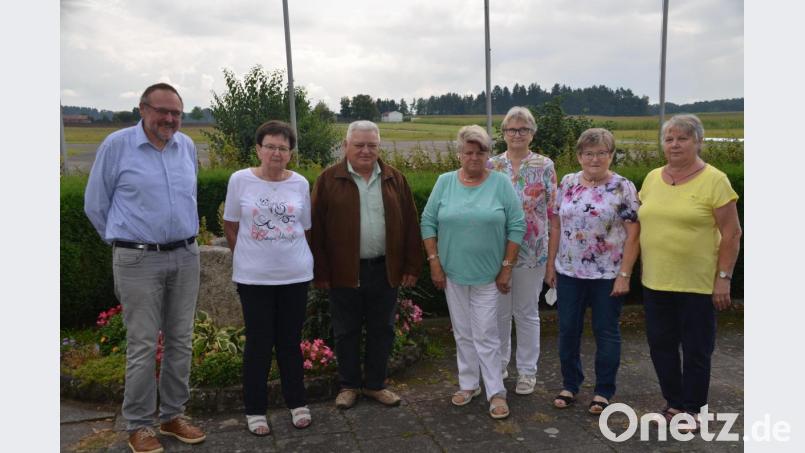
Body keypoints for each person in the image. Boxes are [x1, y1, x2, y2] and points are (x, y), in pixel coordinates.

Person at [84, 83, 206, 453]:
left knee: (181, 340)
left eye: (177, 113)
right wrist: (127, 243)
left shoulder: (185, 146)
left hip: (185, 255)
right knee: (141, 344)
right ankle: (138, 425)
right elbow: (95, 204)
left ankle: (172, 415)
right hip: (138, 259)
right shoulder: (117, 146)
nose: (169, 119)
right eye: (162, 111)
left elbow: (190, 196)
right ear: (142, 109)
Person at [638, 114, 742, 430]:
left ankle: (694, 410)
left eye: (682, 138)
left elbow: (732, 232)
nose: (674, 144)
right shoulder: (653, 178)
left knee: (697, 349)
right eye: (669, 138)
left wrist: (723, 278)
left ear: (698, 141)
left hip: (697, 283)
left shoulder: (715, 180)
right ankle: (673, 404)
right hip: (655, 281)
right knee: (660, 345)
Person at [310, 120, 423, 410]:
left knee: (382, 330)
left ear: (379, 146)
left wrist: (411, 266)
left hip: (384, 269)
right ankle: (348, 386)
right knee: (345, 330)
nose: (365, 150)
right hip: (343, 271)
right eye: (359, 144)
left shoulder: (395, 179)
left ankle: (375, 385)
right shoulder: (328, 180)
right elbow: (316, 230)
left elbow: (411, 223)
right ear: (346, 146)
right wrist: (320, 271)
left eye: (371, 145)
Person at [421, 125, 526, 419]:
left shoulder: (501, 184)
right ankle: (468, 384)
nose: (474, 157)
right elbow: (428, 222)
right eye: (469, 151)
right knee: (463, 332)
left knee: (486, 333)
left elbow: (517, 226)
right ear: (459, 154)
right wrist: (434, 261)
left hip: (490, 276)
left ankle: (495, 391)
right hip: (453, 273)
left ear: (488, 155)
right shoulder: (444, 182)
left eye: (480, 151)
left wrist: (507, 267)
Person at [222, 120, 313, 436]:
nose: (276, 152)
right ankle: (255, 410)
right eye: (270, 146)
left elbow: (305, 227)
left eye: (283, 148)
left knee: (290, 343)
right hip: (254, 279)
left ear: (290, 153)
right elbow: (231, 225)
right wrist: (247, 255)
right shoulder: (240, 181)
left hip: (295, 276)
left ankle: (297, 403)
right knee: (258, 344)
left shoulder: (300, 183)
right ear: (259, 149)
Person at [545, 128, 640, 415]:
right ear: (579, 156)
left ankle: (603, 391)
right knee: (568, 331)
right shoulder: (568, 182)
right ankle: (570, 384)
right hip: (569, 272)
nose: (595, 158)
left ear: (611, 155)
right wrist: (551, 265)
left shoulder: (623, 187)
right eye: (589, 153)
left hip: (607, 275)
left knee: (606, 332)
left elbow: (634, 234)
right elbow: (557, 225)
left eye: (601, 153)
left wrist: (625, 274)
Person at [488, 106, 557, 395]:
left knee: (527, 312)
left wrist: (552, 261)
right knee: (499, 313)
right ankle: (500, 365)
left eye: (523, 129)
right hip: (496, 250)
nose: (517, 134)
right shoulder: (491, 165)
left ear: (532, 133)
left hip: (532, 251)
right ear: (503, 133)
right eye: (511, 129)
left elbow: (554, 213)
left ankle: (527, 371)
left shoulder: (544, 165)